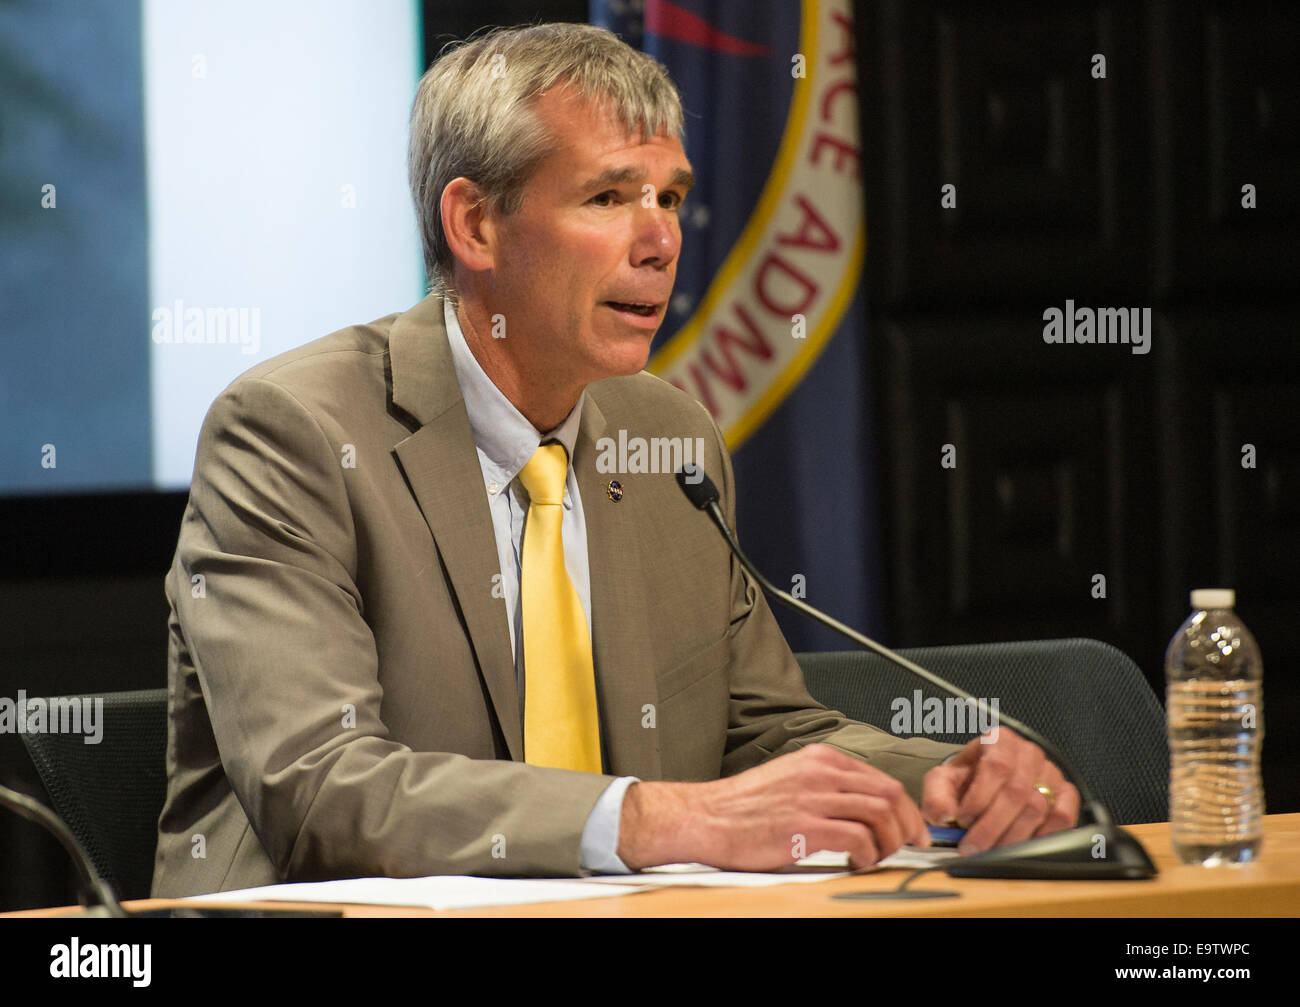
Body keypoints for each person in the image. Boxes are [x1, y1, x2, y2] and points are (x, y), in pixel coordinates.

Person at [152, 23, 1077, 897]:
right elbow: (323, 787)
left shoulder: (667, 434)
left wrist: (941, 779)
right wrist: (662, 816)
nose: (664, 241)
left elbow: (762, 730)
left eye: (670, 197)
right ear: (474, 225)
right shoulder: (291, 432)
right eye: (609, 197)